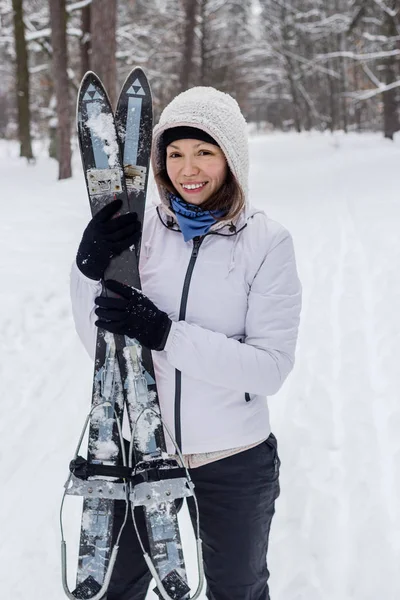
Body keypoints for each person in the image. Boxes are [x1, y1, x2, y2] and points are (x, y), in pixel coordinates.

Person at [70, 86, 302, 600]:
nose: (187, 168)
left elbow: (269, 368)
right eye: (174, 153)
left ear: (231, 157)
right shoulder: (140, 229)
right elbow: (103, 351)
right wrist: (87, 271)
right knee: (114, 588)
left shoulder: (266, 243)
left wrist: (165, 333)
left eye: (204, 151)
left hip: (234, 458)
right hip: (144, 448)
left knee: (237, 591)